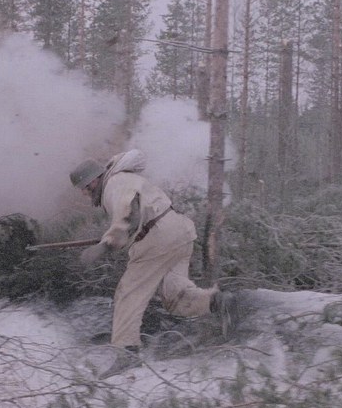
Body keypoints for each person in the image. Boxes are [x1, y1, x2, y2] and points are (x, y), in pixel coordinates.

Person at [69, 149, 237, 379]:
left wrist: (107, 244)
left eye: (85, 187)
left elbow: (130, 213)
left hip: (157, 237)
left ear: (94, 179)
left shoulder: (114, 184)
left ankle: (127, 354)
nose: (85, 193)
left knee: (128, 294)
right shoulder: (125, 179)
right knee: (175, 295)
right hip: (179, 231)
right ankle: (219, 302)